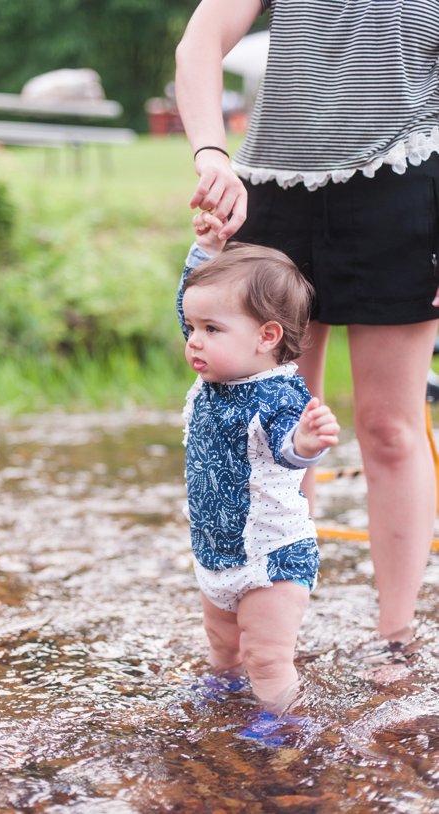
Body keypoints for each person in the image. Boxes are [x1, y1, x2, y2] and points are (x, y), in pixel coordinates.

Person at [175, 0, 439, 651]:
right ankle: (282, 629)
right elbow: (201, 41)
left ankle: (395, 641)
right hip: (273, 193)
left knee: (389, 427)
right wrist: (212, 153)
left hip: (403, 185)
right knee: (279, 423)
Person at [179, 211, 341, 716]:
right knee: (223, 646)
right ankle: (225, 700)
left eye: (209, 329)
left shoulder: (278, 394)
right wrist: (206, 250)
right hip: (216, 552)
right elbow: (193, 297)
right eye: (190, 327)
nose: (193, 340)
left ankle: (283, 727)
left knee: (266, 657)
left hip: (272, 558)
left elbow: (287, 450)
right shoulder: (216, 371)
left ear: (267, 336)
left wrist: (307, 442)